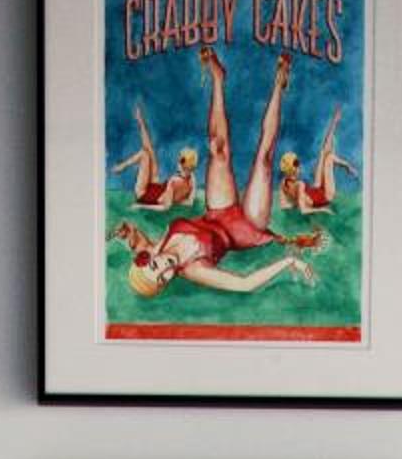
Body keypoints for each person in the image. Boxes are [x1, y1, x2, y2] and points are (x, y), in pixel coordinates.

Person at [112, 47, 322, 303]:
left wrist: (125, 233)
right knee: (264, 161)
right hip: (245, 228)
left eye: (156, 267)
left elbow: (136, 241)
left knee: (217, 148)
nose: (166, 269)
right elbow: (245, 285)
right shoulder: (194, 270)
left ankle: (218, 78)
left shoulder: (154, 249)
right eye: (163, 279)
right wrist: (290, 261)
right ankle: (280, 84)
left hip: (218, 211)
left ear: (150, 259)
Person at [109, 103, 199, 210]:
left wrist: (140, 205)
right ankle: (140, 120)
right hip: (156, 188)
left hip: (145, 194)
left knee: (145, 154)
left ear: (182, 163)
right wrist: (177, 200)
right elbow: (189, 203)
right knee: (150, 151)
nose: (177, 162)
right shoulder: (192, 179)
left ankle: (121, 166)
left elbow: (165, 207)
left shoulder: (174, 181)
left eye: (179, 160)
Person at [276, 110, 358, 214]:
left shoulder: (284, 183)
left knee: (323, 152)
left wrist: (296, 203)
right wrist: (322, 209)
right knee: (329, 157)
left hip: (315, 189)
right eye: (297, 165)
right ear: (294, 169)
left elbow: (285, 206)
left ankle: (334, 122)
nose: (300, 168)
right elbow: (304, 210)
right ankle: (348, 167)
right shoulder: (300, 185)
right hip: (326, 195)